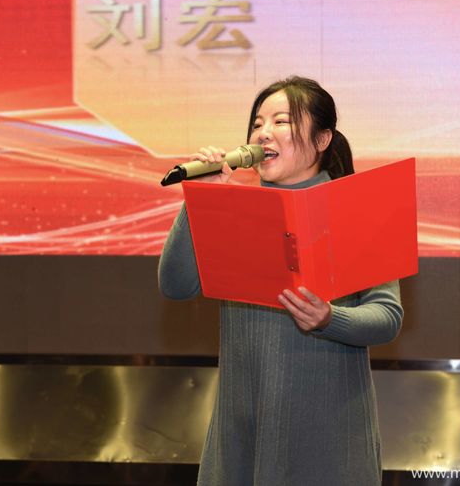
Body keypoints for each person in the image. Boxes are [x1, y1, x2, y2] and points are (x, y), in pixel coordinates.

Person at [158, 76, 403, 486]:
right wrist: (198, 201)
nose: (263, 133)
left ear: (322, 138)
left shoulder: (356, 209)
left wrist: (330, 319)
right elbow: (175, 285)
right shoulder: (235, 210)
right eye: (257, 123)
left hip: (327, 442)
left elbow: (387, 316)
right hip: (242, 435)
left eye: (281, 121)